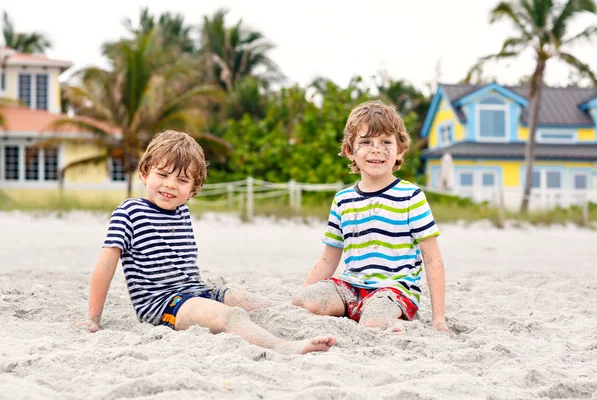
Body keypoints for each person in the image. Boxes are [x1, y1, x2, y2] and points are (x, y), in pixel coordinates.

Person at [75, 130, 336, 354]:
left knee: (254, 302)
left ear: (193, 188)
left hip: (198, 289)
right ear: (144, 173)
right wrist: (93, 318)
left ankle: (325, 326)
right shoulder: (129, 212)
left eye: (182, 180)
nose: (170, 185)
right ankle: (284, 347)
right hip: (163, 304)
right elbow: (106, 266)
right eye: (163, 175)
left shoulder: (182, 212)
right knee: (229, 316)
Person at [292, 101, 449, 332]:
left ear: (400, 150)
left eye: (386, 142)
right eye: (365, 142)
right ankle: (352, 312)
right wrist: (304, 294)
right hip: (350, 286)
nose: (376, 149)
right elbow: (329, 259)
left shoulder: (411, 197)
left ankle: (393, 324)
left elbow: (433, 259)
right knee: (303, 303)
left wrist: (439, 319)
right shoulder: (343, 200)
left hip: (394, 290)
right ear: (349, 150)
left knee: (374, 322)